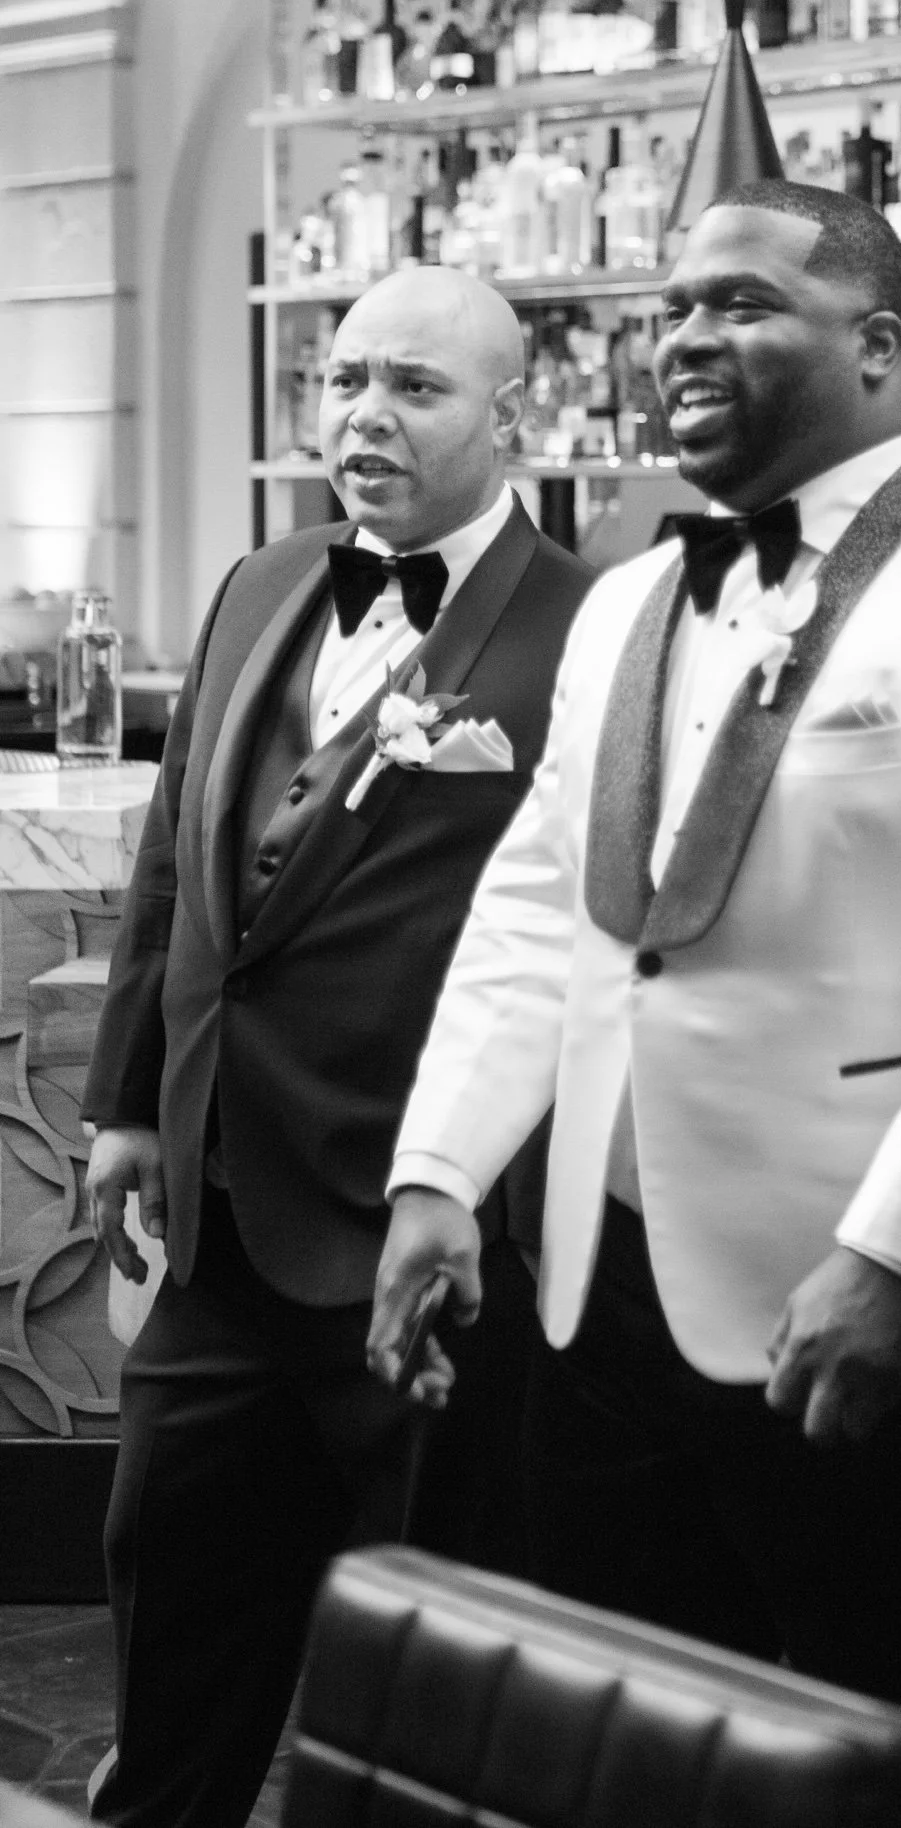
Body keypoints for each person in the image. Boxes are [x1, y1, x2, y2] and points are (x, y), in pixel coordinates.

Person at [368, 184, 901, 1828]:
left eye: (744, 304)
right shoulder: (629, 595)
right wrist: (439, 1173)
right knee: (627, 1764)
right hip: (596, 1306)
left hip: (857, 1317)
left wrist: (900, 1253)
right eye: (675, 304)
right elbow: (542, 901)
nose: (687, 335)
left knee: (886, 1772)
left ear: (883, 347)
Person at [83, 267, 591, 1828]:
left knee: (427, 1690)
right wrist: (125, 1105)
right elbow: (179, 853)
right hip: (221, 1219)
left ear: (514, 414)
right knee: (174, 1639)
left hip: (418, 1238)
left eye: (416, 388)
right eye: (346, 377)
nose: (363, 414)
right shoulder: (262, 580)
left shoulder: (591, 623)